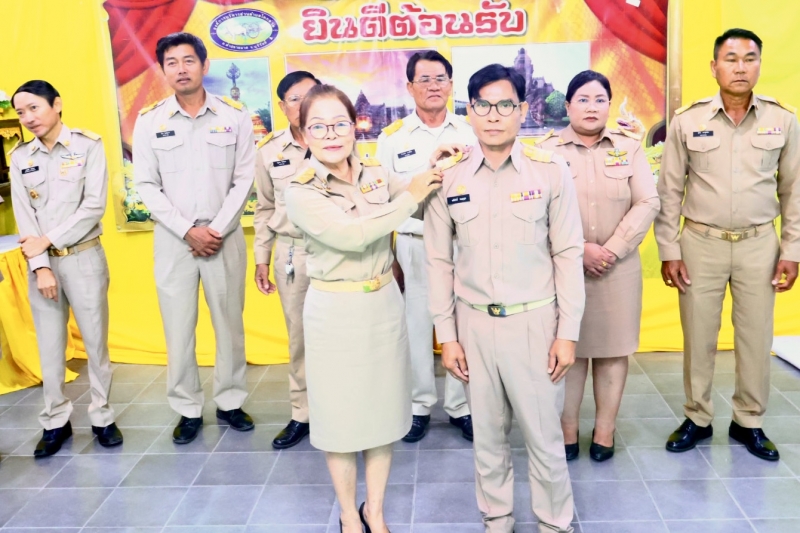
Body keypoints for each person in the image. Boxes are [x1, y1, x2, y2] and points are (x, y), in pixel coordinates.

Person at [426, 64, 584, 533]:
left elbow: (568, 254)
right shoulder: (448, 176)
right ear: (469, 111)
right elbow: (439, 262)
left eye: (505, 105)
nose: (493, 115)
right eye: (483, 105)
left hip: (534, 325)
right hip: (473, 325)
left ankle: (554, 523)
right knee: (488, 439)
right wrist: (447, 336)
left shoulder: (549, 171)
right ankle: (496, 519)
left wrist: (568, 333)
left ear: (523, 109)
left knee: (544, 439)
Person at [284, 84, 442, 533]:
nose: (331, 134)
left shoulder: (375, 173)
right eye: (318, 127)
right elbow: (352, 235)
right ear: (303, 133)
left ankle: (375, 509)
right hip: (334, 311)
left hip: (384, 305)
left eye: (339, 124)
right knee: (339, 419)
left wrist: (438, 168)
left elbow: (417, 203)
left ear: (355, 127)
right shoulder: (300, 189)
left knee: (382, 413)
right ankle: (349, 515)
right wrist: (410, 196)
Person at [656, 28, 800, 461]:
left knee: (755, 337)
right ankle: (697, 417)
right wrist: (669, 250)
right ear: (714, 66)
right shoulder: (687, 121)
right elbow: (668, 191)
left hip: (759, 244)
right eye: (731, 59)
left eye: (749, 59)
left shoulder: (783, 120)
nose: (740, 67)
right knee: (698, 335)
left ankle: (748, 421)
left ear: (759, 65)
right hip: (701, 243)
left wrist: (792, 250)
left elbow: (794, 191)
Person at [133, 32, 255, 444]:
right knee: (178, 327)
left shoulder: (234, 116)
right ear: (163, 70)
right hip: (174, 239)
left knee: (230, 324)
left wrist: (215, 229)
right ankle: (187, 408)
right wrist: (187, 230)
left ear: (204, 65)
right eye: (171, 62)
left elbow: (244, 178)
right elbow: (146, 185)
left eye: (188, 60)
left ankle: (231, 402)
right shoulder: (150, 121)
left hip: (224, 236)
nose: (181, 69)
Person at [539, 70, 659, 462]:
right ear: (567, 105)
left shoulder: (629, 147)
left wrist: (610, 250)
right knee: (568, 351)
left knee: (612, 351)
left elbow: (647, 201)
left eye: (600, 100)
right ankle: (567, 429)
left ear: (609, 105)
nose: (591, 107)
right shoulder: (545, 151)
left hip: (616, 271)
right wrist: (579, 250)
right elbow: (536, 212)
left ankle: (605, 430)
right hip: (562, 270)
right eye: (583, 99)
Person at [9, 80, 122, 457]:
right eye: (21, 112)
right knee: (50, 345)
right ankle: (55, 421)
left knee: (95, 342)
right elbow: (24, 215)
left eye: (34, 108)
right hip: (42, 265)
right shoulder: (20, 157)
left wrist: (47, 239)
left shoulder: (88, 145)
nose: (28, 118)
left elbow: (93, 207)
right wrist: (41, 265)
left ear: (56, 104)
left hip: (84, 258)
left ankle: (103, 416)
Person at [375, 50, 475, 443]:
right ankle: (419, 405)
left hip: (465, 244)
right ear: (409, 86)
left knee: (463, 324)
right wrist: (389, 257)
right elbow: (382, 199)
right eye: (424, 79)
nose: (433, 86)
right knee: (416, 325)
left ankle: (461, 406)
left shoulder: (471, 131)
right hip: (413, 243)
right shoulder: (392, 138)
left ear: (451, 84)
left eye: (440, 79)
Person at [253, 70, 321, 450]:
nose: (304, 103)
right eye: (295, 98)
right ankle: (302, 413)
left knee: (342, 333)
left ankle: (341, 409)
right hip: (293, 252)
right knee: (299, 338)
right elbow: (264, 208)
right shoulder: (270, 151)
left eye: (311, 94)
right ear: (282, 107)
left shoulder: (338, 140)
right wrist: (262, 258)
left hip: (337, 252)